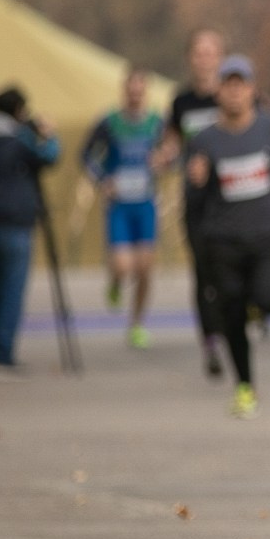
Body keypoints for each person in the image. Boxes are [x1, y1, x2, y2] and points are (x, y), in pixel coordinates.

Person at [182, 56, 270, 417]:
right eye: (228, 84)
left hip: (267, 238)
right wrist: (196, 182)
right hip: (223, 242)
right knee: (231, 315)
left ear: (251, 89)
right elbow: (192, 199)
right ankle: (245, 385)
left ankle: (256, 309)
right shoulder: (204, 139)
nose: (234, 91)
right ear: (218, 91)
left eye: (241, 84)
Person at [0, 86, 59, 379]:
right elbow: (50, 156)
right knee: (11, 292)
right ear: (19, 110)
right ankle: (1, 357)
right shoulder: (19, 140)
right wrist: (48, 134)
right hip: (15, 225)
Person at [81, 68, 164, 349]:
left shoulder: (157, 122)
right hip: (119, 205)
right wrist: (103, 180)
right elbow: (87, 155)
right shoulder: (109, 121)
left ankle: (137, 323)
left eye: (141, 90)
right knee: (123, 265)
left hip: (145, 203)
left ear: (146, 91)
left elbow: (173, 154)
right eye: (131, 89)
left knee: (145, 268)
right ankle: (115, 282)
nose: (136, 94)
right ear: (124, 90)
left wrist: (162, 161)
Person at [164, 27, 227, 378]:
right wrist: (166, 156)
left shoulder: (234, 95)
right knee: (203, 273)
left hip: (233, 201)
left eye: (211, 52)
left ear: (220, 57)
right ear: (190, 58)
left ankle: (238, 318)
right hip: (197, 201)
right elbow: (171, 142)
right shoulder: (181, 101)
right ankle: (211, 342)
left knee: (230, 269)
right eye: (198, 53)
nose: (204, 59)